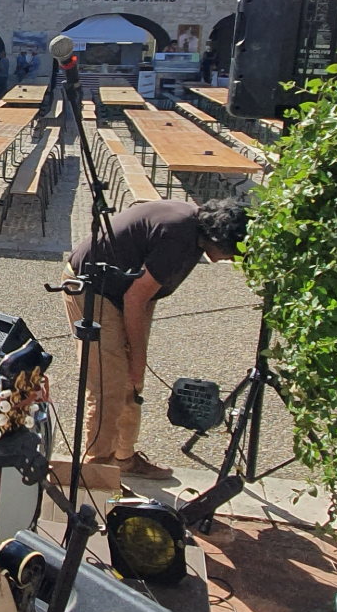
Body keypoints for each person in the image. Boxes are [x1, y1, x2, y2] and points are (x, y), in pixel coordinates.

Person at [63, 197, 251, 479]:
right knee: (109, 385)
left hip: (127, 292)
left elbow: (140, 294)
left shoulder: (194, 227)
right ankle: (97, 474)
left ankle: (123, 460)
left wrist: (136, 365)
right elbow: (134, 298)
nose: (232, 260)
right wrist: (138, 358)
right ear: (218, 239)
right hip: (94, 288)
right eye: (231, 253)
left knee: (131, 384)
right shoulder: (178, 237)